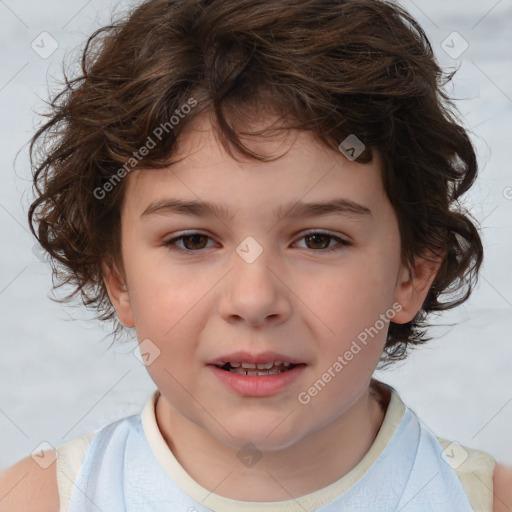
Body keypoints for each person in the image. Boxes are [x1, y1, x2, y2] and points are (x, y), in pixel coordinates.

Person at [1, 0, 511, 510]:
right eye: (193, 240)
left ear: (412, 275)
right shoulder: (35, 499)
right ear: (119, 279)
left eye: (318, 240)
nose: (253, 299)